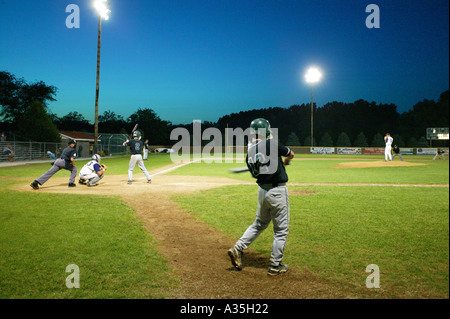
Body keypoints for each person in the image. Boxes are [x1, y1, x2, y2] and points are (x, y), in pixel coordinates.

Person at [228, 118, 294, 276]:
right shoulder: (272, 143)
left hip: (262, 192)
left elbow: (258, 171)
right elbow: (290, 153)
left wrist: (276, 163)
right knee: (281, 231)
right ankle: (275, 265)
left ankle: (238, 248)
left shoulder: (250, 151)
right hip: (277, 191)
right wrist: (285, 160)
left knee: (259, 224)